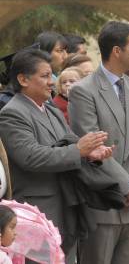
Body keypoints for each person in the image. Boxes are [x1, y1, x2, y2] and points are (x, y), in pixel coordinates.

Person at [0, 49, 112, 263]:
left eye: (51, 75)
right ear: (23, 79)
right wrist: (78, 150)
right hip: (38, 209)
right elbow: (30, 157)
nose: (52, 82)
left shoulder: (50, 109)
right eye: (44, 76)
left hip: (66, 202)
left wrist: (90, 153)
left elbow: (69, 142)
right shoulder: (12, 113)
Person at [68, 21, 129, 264]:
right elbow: (92, 148)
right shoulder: (83, 91)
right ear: (117, 51)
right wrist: (128, 187)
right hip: (103, 203)